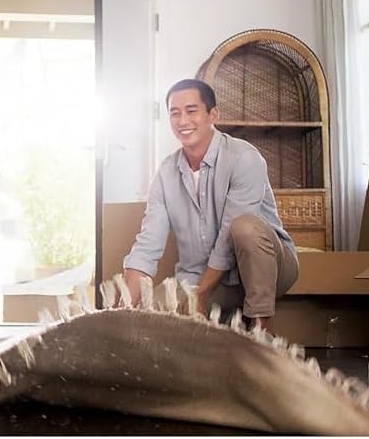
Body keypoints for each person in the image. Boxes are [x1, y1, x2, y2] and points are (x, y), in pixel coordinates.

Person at [122, 79, 298, 332]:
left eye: (191, 111)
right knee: (149, 319)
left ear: (213, 114)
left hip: (267, 271)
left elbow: (227, 239)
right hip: (200, 277)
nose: (182, 121)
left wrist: (200, 295)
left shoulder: (244, 158)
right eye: (175, 113)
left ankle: (262, 329)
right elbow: (148, 244)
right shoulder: (166, 173)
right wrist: (123, 307)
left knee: (244, 228)